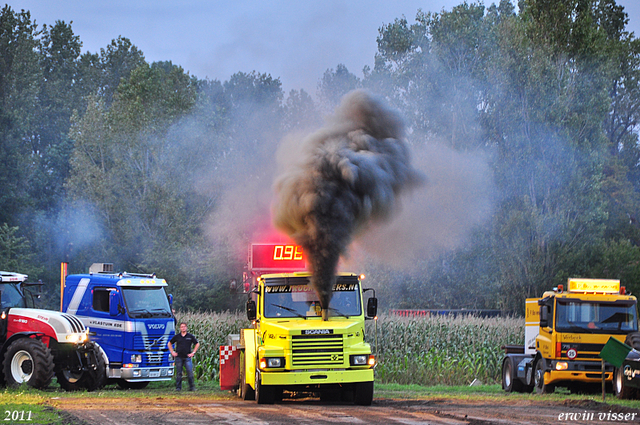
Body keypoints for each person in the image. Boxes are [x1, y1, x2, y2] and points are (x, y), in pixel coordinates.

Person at [168, 322, 200, 391]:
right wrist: (172, 352)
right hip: (179, 357)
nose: (183, 328)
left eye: (184, 326)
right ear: (180, 328)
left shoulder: (190, 336)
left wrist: (193, 353)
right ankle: (178, 388)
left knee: (189, 372)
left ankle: (192, 387)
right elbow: (169, 343)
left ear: (186, 327)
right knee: (179, 373)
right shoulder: (177, 336)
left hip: (187, 357)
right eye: (182, 327)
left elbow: (197, 344)